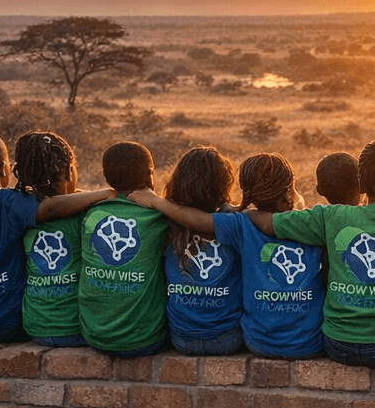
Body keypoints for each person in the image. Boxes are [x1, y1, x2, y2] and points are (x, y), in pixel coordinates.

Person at [252, 139, 375, 367]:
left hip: (338, 343)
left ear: (361, 184)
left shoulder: (331, 217)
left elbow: (267, 224)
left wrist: (239, 213)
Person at [131, 153, 327, 359]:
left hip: (214, 340)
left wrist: (155, 201)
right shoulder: (312, 224)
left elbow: (199, 221)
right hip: (290, 343)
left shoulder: (238, 224)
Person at [0, 133, 109, 343]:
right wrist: (106, 193)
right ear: (4, 169)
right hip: (9, 325)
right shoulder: (9, 203)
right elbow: (51, 207)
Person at [80, 141, 169, 358]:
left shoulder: (92, 215)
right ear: (150, 175)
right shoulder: (157, 217)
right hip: (145, 340)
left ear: (106, 177)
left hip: (95, 336)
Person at [160, 147, 243, 355]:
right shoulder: (234, 222)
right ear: (223, 186)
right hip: (227, 338)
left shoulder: (164, 221)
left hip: (181, 338)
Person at [14, 132, 89, 348]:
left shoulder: (17, 210)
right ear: (70, 172)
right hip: (75, 327)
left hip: (35, 327)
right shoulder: (82, 215)